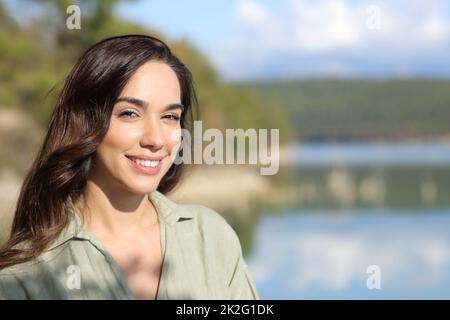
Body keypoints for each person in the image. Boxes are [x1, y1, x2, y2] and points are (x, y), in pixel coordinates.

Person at [0, 35, 259, 300]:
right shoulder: (22, 278)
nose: (155, 139)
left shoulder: (210, 237)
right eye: (130, 114)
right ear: (85, 122)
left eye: (170, 117)